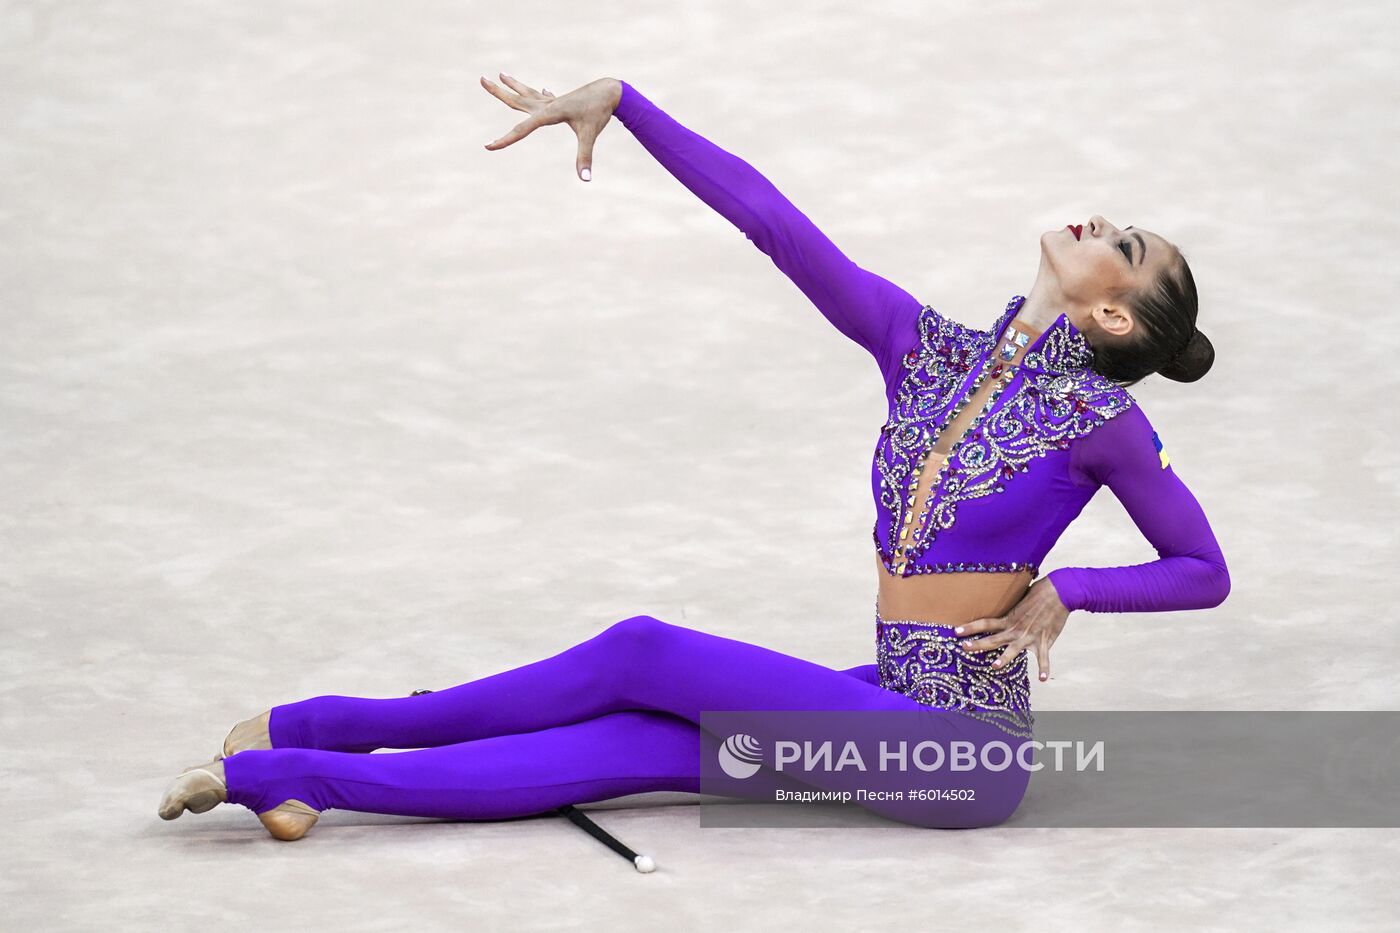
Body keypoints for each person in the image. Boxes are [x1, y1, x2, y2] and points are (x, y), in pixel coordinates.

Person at [159, 74, 1230, 841]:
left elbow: (1201, 569)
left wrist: (1068, 590)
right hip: (887, 701)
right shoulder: (925, 349)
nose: (1101, 223)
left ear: (1113, 317)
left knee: (642, 652)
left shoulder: (1102, 423)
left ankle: (313, 739)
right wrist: (623, 106)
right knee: (622, 742)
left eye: (1123, 245)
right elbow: (775, 224)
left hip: (962, 753)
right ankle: (298, 772)